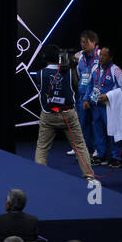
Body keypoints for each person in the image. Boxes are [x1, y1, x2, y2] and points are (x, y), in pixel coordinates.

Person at [31, 51, 95, 180]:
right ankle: (89, 176)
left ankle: (39, 176)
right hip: (68, 115)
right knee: (80, 146)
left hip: (48, 115)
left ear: (45, 59)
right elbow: (77, 87)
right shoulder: (70, 72)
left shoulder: (40, 74)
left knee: (42, 147)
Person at [87, 48, 122, 167]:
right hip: (96, 107)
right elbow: (90, 85)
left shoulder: (116, 70)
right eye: (100, 55)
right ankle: (101, 156)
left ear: (111, 58)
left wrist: (108, 96)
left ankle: (116, 158)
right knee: (98, 132)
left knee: (114, 132)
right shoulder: (95, 69)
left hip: (109, 107)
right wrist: (86, 99)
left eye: (105, 56)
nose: (101, 58)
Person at [69, 30, 100, 159]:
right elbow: (80, 74)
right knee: (83, 125)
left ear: (93, 42)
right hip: (82, 96)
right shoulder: (81, 57)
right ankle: (84, 151)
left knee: (97, 124)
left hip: (96, 96)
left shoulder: (100, 55)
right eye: (81, 42)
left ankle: (99, 151)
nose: (82, 45)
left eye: (85, 42)